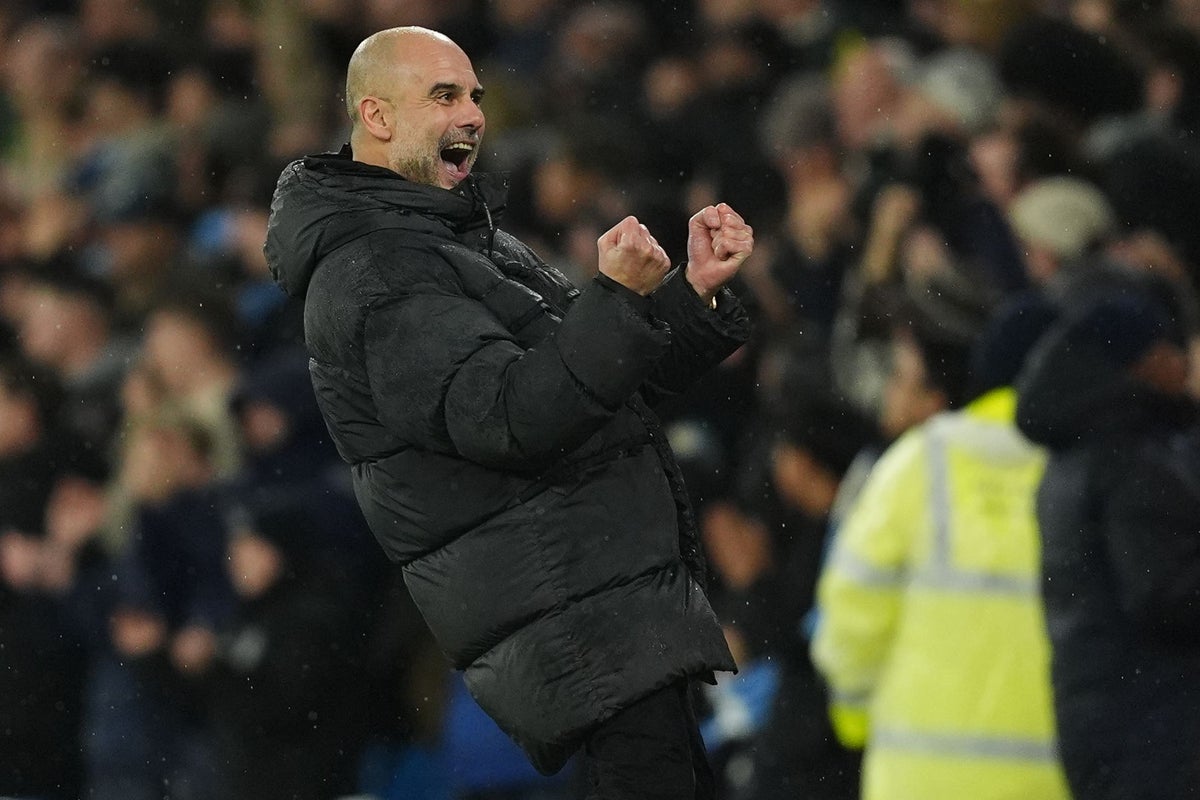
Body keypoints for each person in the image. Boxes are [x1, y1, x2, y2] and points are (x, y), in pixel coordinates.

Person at [263, 25, 755, 798]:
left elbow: (597, 385)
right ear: (377, 116)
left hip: (605, 600)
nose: (471, 114)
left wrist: (690, 294)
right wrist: (615, 299)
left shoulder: (450, 239)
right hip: (573, 607)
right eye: (444, 95)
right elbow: (510, 417)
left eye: (475, 95)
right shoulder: (375, 269)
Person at [810, 297, 1071, 800]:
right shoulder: (1086, 471)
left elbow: (850, 611)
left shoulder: (917, 465)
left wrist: (853, 714)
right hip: (1052, 783)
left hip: (918, 781)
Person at [1016, 293, 1200, 799]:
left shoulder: (1079, 449)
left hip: (1108, 723)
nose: (1185, 364)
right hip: (1154, 733)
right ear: (1144, 360)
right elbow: (1166, 591)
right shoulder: (1128, 456)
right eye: (1173, 350)